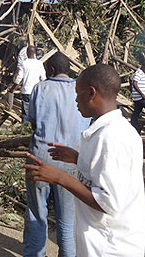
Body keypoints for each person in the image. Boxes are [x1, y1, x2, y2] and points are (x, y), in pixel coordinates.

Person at [24, 64, 145, 257]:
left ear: (91, 93)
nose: (75, 100)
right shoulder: (110, 131)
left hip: (111, 247)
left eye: (77, 93)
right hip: (101, 243)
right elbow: (105, 172)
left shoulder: (111, 138)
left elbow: (108, 202)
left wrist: (60, 178)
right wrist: (77, 158)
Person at [23, 52, 90, 257]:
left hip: (40, 157)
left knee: (36, 213)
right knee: (67, 221)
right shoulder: (79, 90)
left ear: (50, 70)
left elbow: (33, 122)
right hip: (71, 159)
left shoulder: (40, 88)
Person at [9, 45, 46, 122]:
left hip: (26, 91)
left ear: (26, 53)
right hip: (36, 92)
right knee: (36, 112)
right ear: (35, 53)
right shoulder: (39, 63)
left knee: (26, 113)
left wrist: (13, 88)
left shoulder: (24, 63)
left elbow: (19, 78)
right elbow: (43, 78)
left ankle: (25, 129)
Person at [130, 60, 145, 133]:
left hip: (138, 98)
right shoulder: (139, 73)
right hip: (141, 98)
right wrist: (142, 94)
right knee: (136, 113)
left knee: (136, 113)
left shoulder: (140, 73)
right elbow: (134, 83)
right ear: (143, 66)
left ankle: (135, 129)